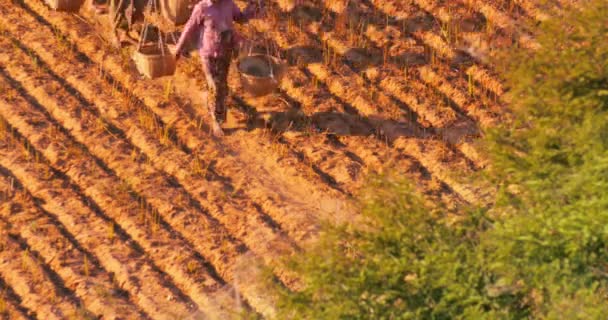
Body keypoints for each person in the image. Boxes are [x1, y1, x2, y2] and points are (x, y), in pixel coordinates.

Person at [173, 0, 264, 137]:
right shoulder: (202, 8)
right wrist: (178, 48)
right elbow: (189, 28)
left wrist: (253, 9)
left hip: (225, 52)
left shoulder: (228, 4)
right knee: (215, 86)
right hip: (208, 53)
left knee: (222, 87)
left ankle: (216, 111)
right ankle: (217, 122)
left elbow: (240, 18)